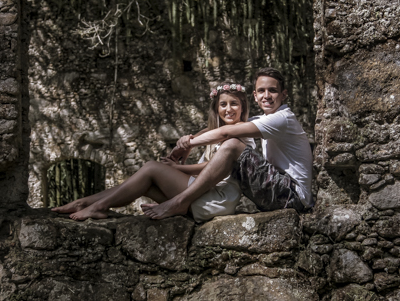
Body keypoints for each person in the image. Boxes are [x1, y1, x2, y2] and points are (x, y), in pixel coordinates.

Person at [50, 83, 253, 221]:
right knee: (144, 184)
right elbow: (201, 137)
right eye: (223, 104)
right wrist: (188, 144)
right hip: (202, 195)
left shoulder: (243, 133)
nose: (228, 109)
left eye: (234, 104)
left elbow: (214, 169)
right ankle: (86, 202)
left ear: (243, 107)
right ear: (216, 108)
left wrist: (176, 168)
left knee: (151, 168)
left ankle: (97, 207)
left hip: (216, 199)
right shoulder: (213, 132)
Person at [142, 67, 313, 219]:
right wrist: (189, 139)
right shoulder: (264, 119)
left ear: (284, 94)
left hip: (293, 196)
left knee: (232, 145)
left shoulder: (282, 118)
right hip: (281, 191)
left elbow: (225, 132)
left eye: (273, 91)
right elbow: (226, 127)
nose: (266, 96)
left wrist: (189, 145)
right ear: (255, 96)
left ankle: (179, 202)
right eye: (261, 91)